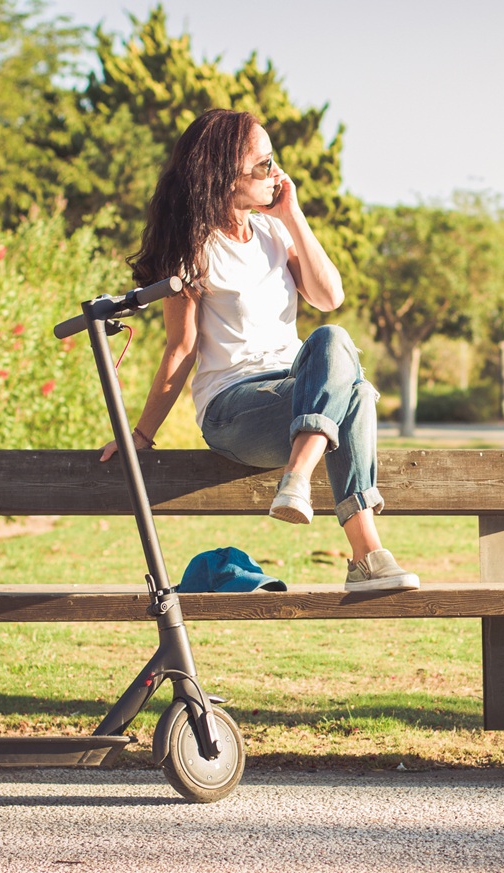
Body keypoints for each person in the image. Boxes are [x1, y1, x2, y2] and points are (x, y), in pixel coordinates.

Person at [100, 108, 418, 592]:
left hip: (298, 400)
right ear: (224, 177)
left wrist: (292, 214)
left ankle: (304, 485)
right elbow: (181, 348)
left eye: (275, 162)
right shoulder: (193, 250)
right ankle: (365, 553)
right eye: (264, 166)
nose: (277, 175)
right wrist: (141, 434)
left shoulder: (273, 233)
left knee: (334, 342)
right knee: (355, 392)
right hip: (234, 410)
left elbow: (329, 297)